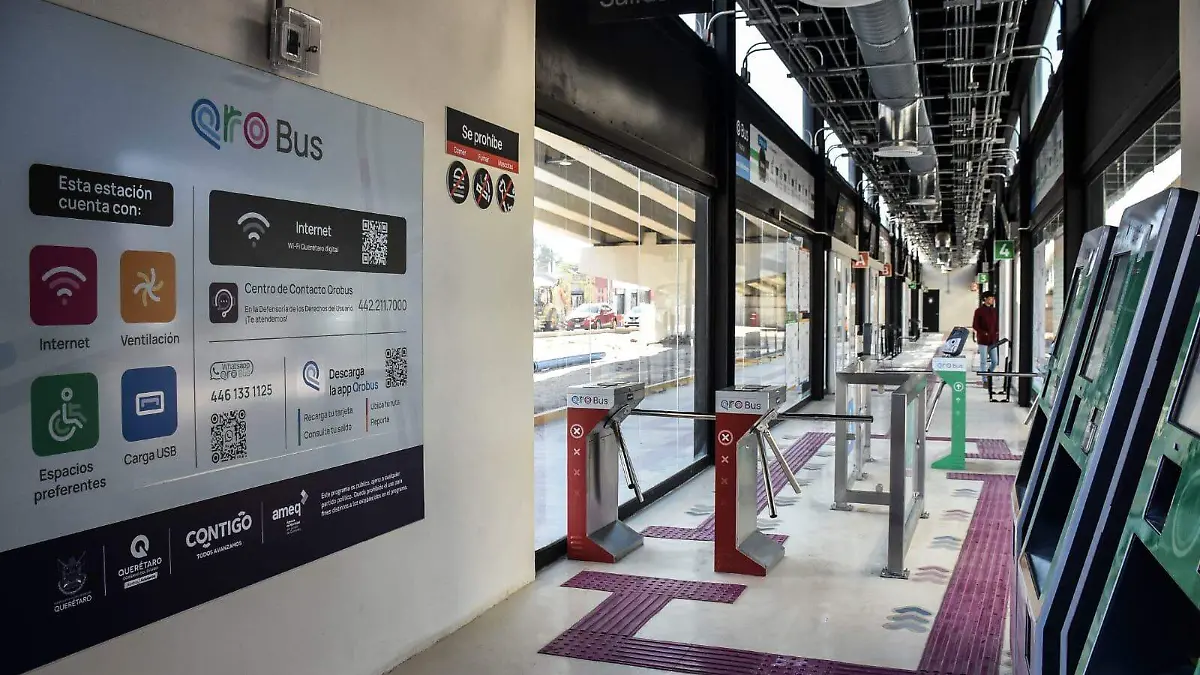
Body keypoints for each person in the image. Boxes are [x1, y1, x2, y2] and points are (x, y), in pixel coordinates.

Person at [972, 292, 1000, 386]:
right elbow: (975, 325)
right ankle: (985, 380)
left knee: (995, 361)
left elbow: (996, 324)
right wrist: (983, 333)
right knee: (983, 361)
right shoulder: (979, 311)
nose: (992, 300)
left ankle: (988, 374)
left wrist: (997, 332)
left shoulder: (994, 311)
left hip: (993, 340)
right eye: (991, 298)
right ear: (985, 299)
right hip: (983, 340)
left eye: (993, 298)